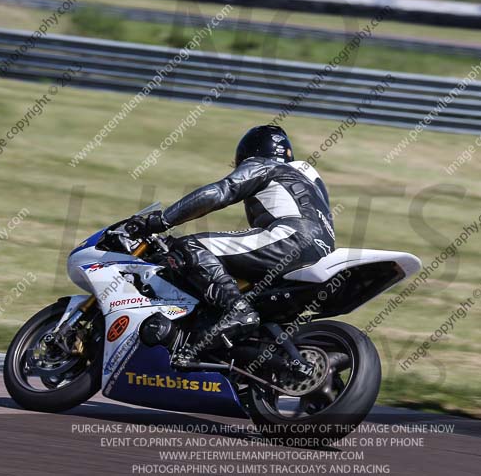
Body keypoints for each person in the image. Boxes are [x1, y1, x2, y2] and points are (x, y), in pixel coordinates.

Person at [125, 125, 335, 360]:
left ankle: (238, 312)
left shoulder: (263, 165)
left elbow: (220, 192)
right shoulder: (307, 181)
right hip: (321, 252)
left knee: (191, 246)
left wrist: (162, 220)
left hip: (290, 238)